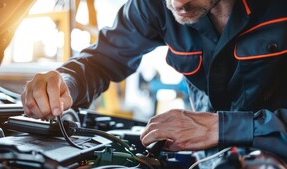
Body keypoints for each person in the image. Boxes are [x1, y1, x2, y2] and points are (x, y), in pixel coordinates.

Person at [21, 0, 287, 158]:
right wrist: (66, 81)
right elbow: (101, 60)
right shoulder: (154, 6)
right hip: (210, 164)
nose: (178, 4)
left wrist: (222, 128)